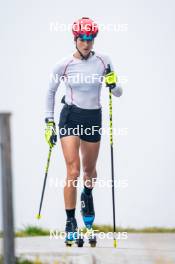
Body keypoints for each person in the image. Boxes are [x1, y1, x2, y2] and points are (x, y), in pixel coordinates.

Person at [45, 17, 123, 245]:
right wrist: (49, 122)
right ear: (75, 39)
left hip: (92, 117)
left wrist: (113, 83)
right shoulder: (63, 64)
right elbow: (50, 92)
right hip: (70, 116)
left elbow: (118, 92)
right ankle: (70, 222)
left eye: (90, 39)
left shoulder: (104, 61)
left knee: (89, 172)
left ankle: (86, 196)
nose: (87, 43)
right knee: (73, 171)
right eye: (82, 39)